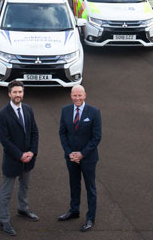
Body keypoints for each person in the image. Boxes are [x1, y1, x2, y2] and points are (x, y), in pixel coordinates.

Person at [0, 80, 39, 236]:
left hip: (28, 159)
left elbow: (34, 132)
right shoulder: (2, 115)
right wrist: (20, 155)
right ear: (9, 94)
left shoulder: (28, 110)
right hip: (12, 161)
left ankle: (23, 209)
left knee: (24, 186)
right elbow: (5, 141)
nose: (18, 95)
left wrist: (32, 152)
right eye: (15, 92)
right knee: (7, 192)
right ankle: (4, 221)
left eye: (20, 92)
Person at [57, 85, 102, 232]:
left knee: (90, 188)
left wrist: (82, 154)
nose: (77, 98)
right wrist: (70, 153)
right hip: (71, 157)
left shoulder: (94, 112)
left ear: (85, 96)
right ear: (71, 95)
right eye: (74, 95)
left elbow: (96, 137)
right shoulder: (65, 111)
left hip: (88, 158)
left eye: (80, 96)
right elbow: (62, 133)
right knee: (74, 184)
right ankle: (74, 210)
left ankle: (90, 218)